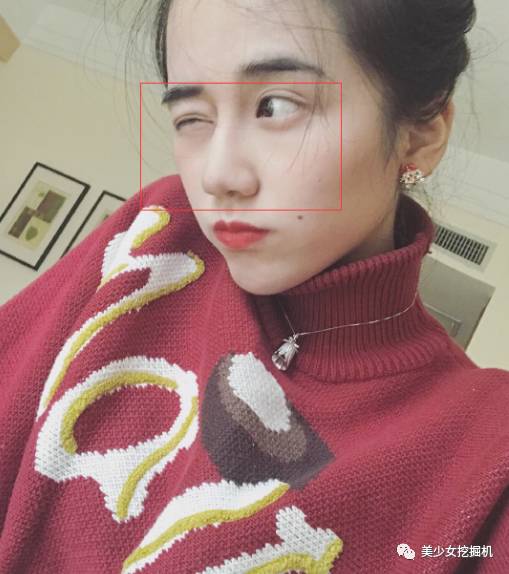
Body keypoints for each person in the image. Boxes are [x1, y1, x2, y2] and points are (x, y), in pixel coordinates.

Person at [0, 0, 507, 572]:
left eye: (276, 106)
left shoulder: (487, 449)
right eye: (192, 118)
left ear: (421, 136)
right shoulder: (155, 237)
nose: (218, 176)